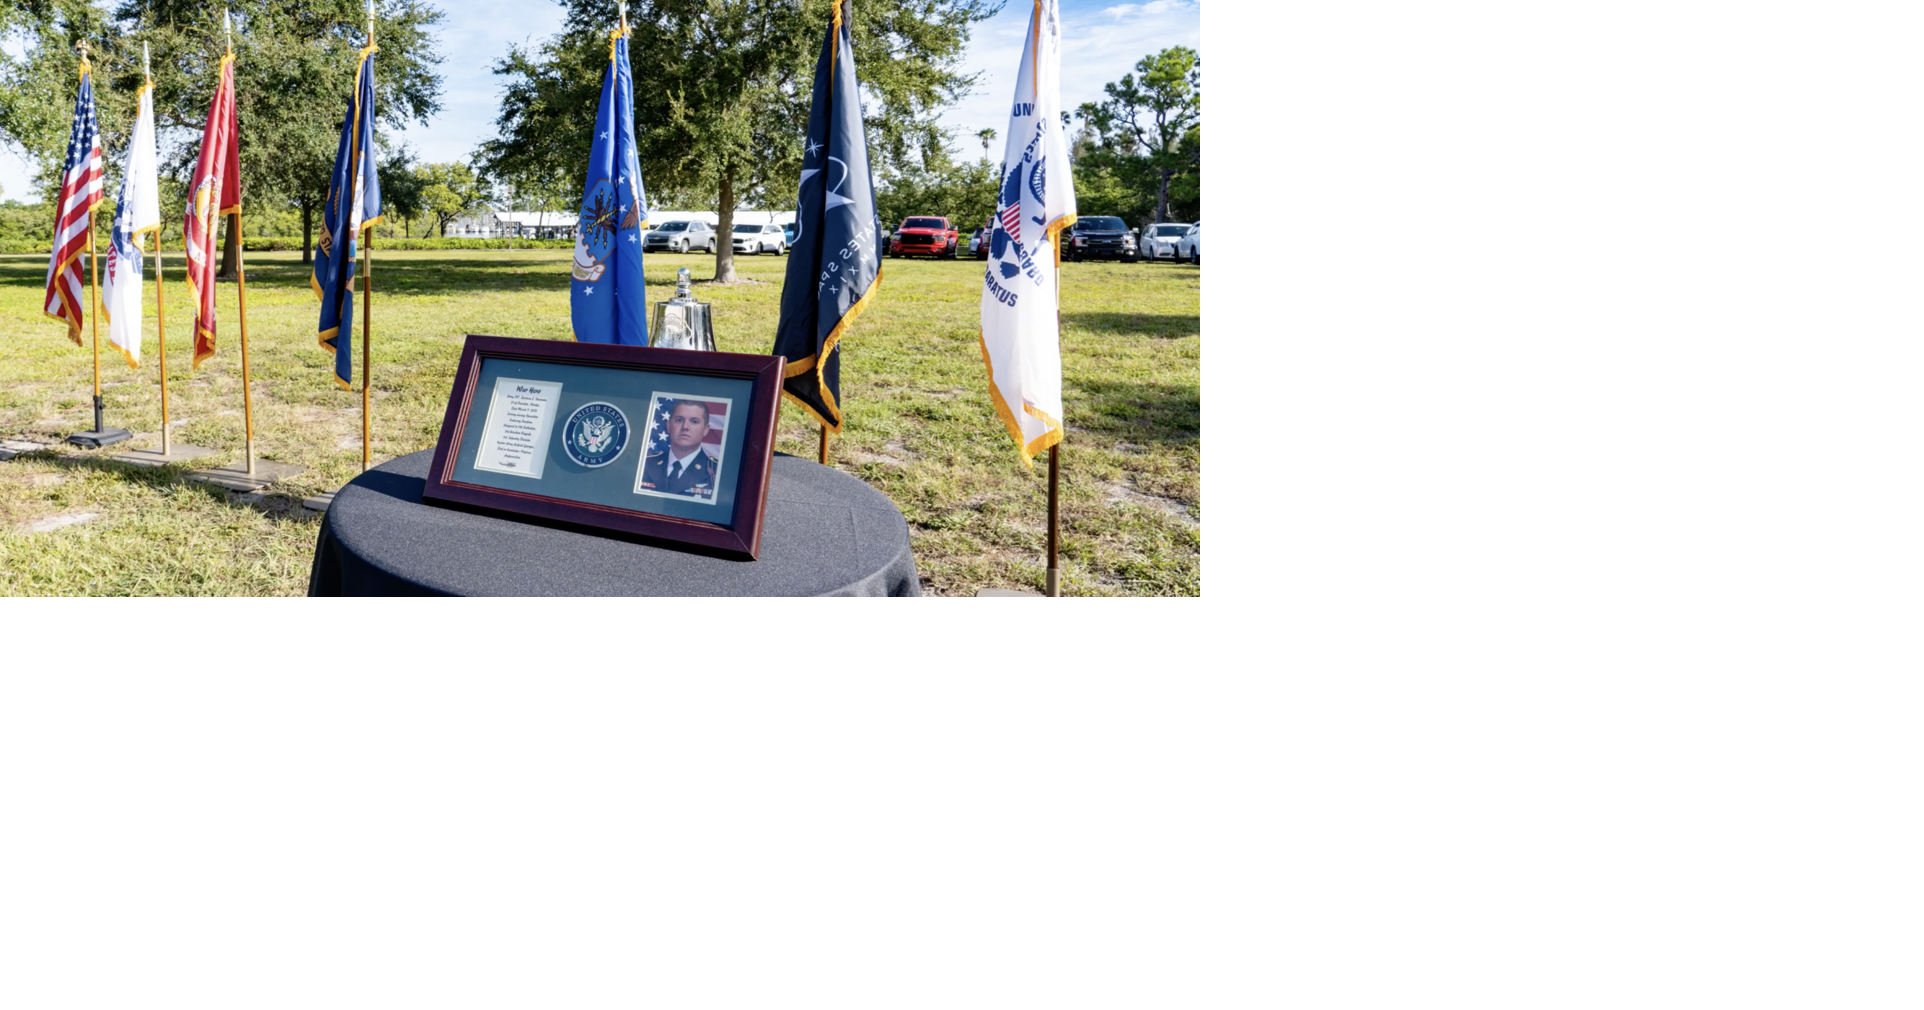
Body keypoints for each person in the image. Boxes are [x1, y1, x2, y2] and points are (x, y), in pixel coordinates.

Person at [640, 399, 721, 498]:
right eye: (679, 420)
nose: (685, 427)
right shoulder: (644, 464)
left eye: (694, 421)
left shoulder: (717, 472)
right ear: (668, 425)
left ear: (705, 429)